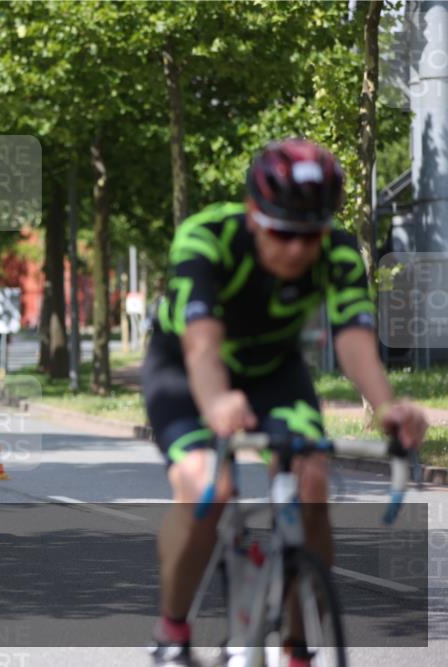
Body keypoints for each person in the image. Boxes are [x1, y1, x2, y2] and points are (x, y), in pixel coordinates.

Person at [142, 139, 428, 666]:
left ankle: (298, 646)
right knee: (209, 484)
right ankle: (173, 632)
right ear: (253, 214)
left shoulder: (338, 252)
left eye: (310, 236)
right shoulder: (207, 238)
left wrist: (387, 406)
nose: (297, 251)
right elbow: (202, 345)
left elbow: (354, 340)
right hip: (186, 370)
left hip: (273, 370)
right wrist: (218, 403)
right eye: (281, 234)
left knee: (311, 480)